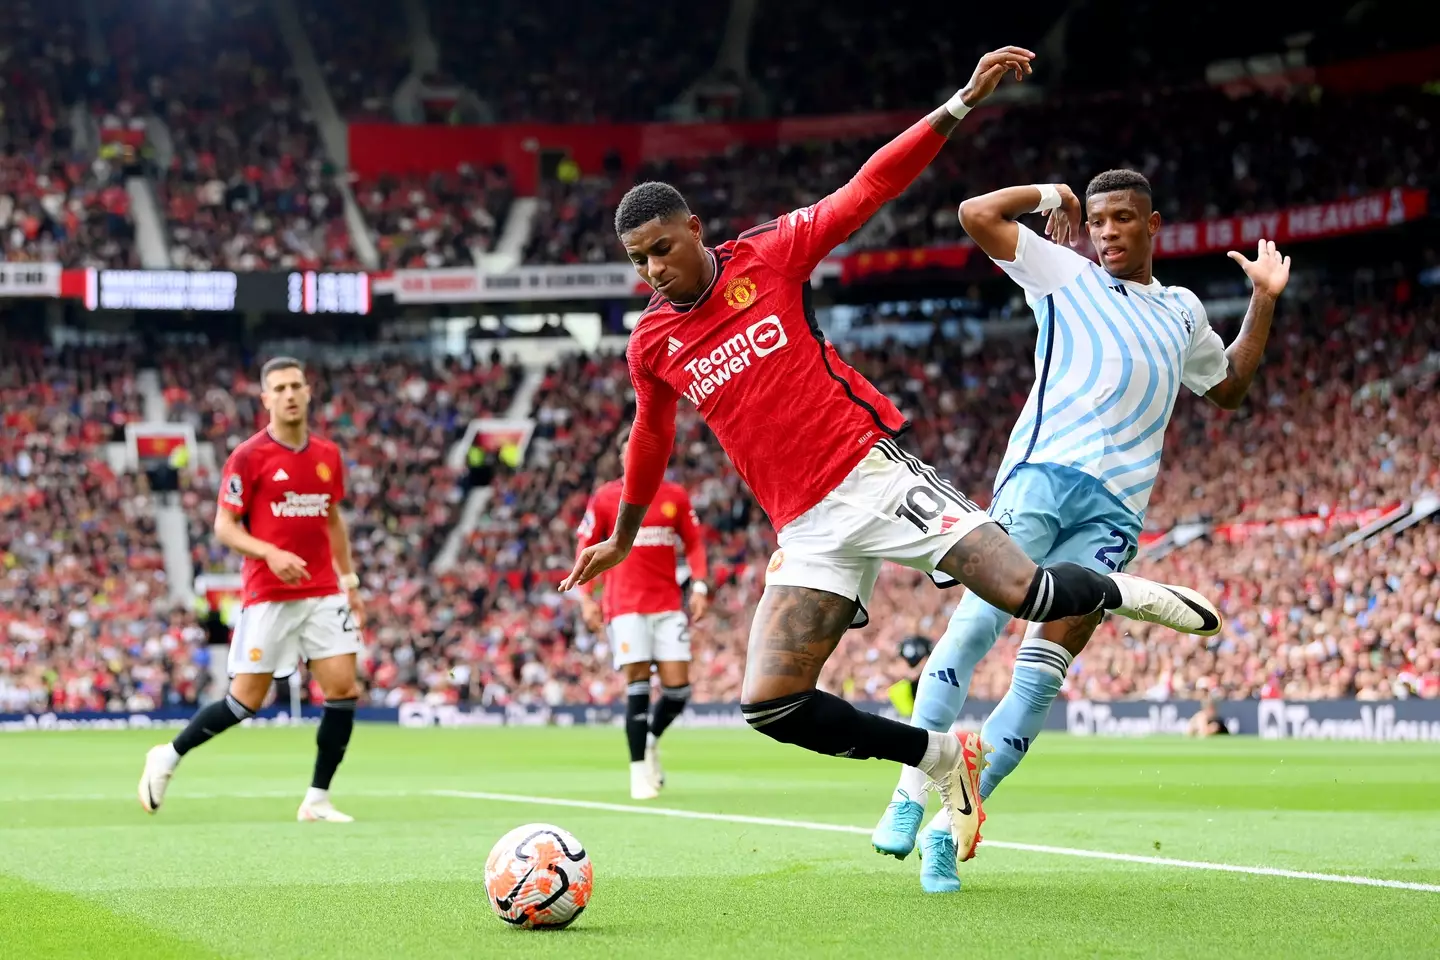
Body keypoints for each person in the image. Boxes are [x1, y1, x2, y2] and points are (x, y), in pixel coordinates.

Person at [560, 47, 1223, 866]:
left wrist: (960, 104)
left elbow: (867, 187)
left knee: (1026, 593)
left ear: (694, 229)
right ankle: (940, 759)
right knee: (769, 704)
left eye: (663, 248)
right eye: (640, 262)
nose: (655, 271)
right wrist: (623, 534)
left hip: (872, 475)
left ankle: (1124, 592)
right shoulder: (653, 342)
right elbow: (649, 437)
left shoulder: (768, 257)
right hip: (804, 528)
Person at [871, 171, 1291, 891]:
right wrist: (1052, 196)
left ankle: (949, 831)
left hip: (1115, 512)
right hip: (1039, 476)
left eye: (1124, 218)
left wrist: (1263, 299)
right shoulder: (1061, 271)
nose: (1108, 231)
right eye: (1098, 220)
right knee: (974, 631)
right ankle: (910, 792)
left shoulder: (1183, 310)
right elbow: (975, 211)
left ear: (1153, 224)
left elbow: (1229, 388)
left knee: (1039, 680)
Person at [138, 357, 366, 823]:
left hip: (323, 591)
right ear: (265, 398)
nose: (289, 394)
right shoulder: (248, 456)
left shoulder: (328, 455)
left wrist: (348, 579)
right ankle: (169, 754)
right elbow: (224, 526)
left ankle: (317, 798)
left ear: (308, 391)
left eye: (296, 385)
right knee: (246, 701)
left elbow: (333, 519)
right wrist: (270, 553)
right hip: (269, 594)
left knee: (343, 688)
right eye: (279, 387)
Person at [576, 433, 711, 800]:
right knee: (636, 681)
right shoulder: (605, 498)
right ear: (622, 457)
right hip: (624, 606)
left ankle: (649, 739)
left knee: (678, 689)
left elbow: (695, 544)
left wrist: (699, 586)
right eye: (629, 451)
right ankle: (638, 772)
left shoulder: (675, 496)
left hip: (667, 604)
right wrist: (587, 599)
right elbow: (586, 547)